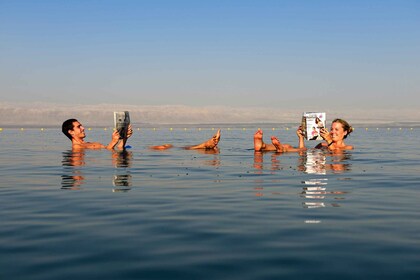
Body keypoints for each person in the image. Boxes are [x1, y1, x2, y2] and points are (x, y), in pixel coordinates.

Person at [62, 118, 132, 150]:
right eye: (78, 127)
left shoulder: (88, 144)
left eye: (81, 126)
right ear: (71, 132)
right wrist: (113, 141)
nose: (83, 128)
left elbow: (118, 148)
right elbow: (109, 151)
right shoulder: (77, 147)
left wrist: (125, 137)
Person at [150, 129, 221, 150]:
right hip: (186, 148)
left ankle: (213, 140)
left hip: (185, 148)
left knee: (197, 147)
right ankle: (213, 140)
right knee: (197, 147)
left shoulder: (169, 147)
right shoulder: (168, 147)